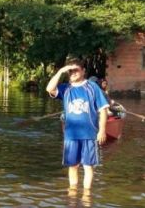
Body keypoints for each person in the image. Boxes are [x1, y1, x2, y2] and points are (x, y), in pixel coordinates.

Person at [46, 59, 109, 190]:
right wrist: (60, 71)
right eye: (70, 71)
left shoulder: (92, 87)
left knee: (88, 166)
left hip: (89, 134)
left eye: (76, 70)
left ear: (83, 71)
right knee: (73, 166)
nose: (73, 73)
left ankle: (87, 197)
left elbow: (103, 110)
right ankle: (73, 194)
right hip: (71, 136)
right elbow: (49, 89)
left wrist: (102, 130)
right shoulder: (65, 89)